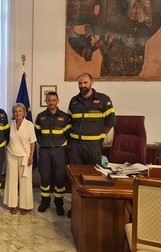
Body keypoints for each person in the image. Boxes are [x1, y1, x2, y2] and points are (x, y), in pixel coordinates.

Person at [67, 72, 116, 217]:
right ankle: (75, 206)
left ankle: (92, 208)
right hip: (76, 145)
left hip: (93, 146)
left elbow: (111, 122)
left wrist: (100, 137)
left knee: (94, 176)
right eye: (80, 83)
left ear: (92, 83)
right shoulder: (74, 101)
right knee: (75, 178)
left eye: (85, 83)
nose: (82, 86)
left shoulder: (103, 100)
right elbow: (70, 122)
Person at [35, 91, 71, 216]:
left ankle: (59, 203)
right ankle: (45, 202)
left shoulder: (65, 117)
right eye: (49, 100)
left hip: (59, 151)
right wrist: (42, 143)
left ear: (57, 101)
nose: (51, 102)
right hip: (44, 150)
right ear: (46, 102)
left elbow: (68, 134)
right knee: (44, 177)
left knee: (59, 177)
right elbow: (37, 133)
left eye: (54, 100)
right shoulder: (40, 116)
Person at [3, 103, 36, 215]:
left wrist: (31, 156)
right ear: (13, 113)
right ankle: (12, 204)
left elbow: (32, 142)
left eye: (20, 111)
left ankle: (25, 206)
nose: (18, 113)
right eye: (15, 111)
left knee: (25, 181)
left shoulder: (29, 125)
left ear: (24, 112)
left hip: (24, 156)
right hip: (11, 154)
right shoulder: (10, 124)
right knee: (11, 180)